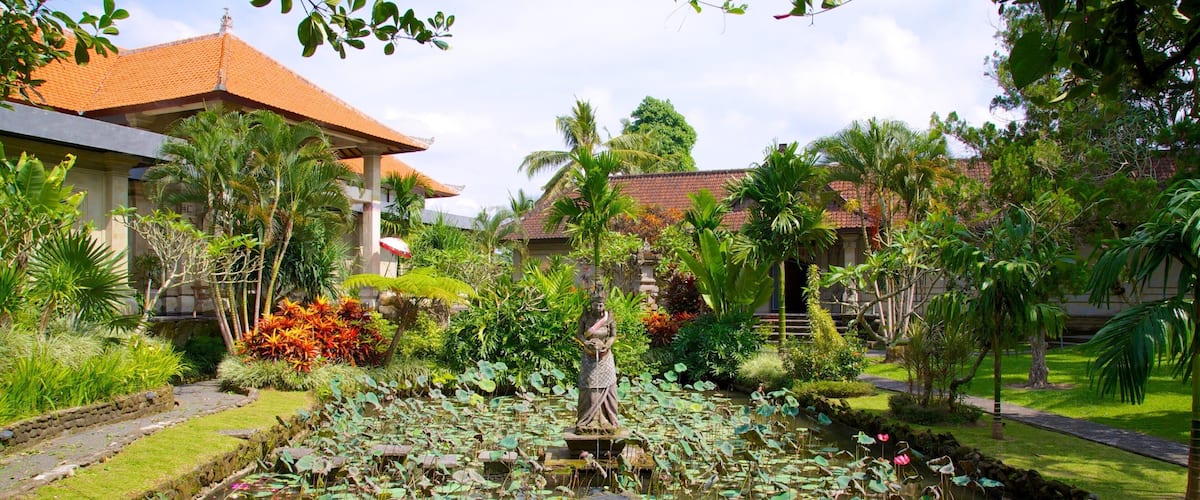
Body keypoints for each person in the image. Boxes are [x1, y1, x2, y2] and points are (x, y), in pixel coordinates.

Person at [576, 296, 618, 432]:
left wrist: (607, 345)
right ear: (591, 305)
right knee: (588, 386)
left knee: (608, 386)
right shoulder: (585, 317)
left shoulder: (608, 318)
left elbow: (613, 335)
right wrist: (586, 342)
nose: (598, 308)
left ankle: (606, 419)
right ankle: (587, 420)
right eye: (595, 305)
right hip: (589, 357)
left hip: (605, 357)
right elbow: (579, 334)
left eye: (601, 305)